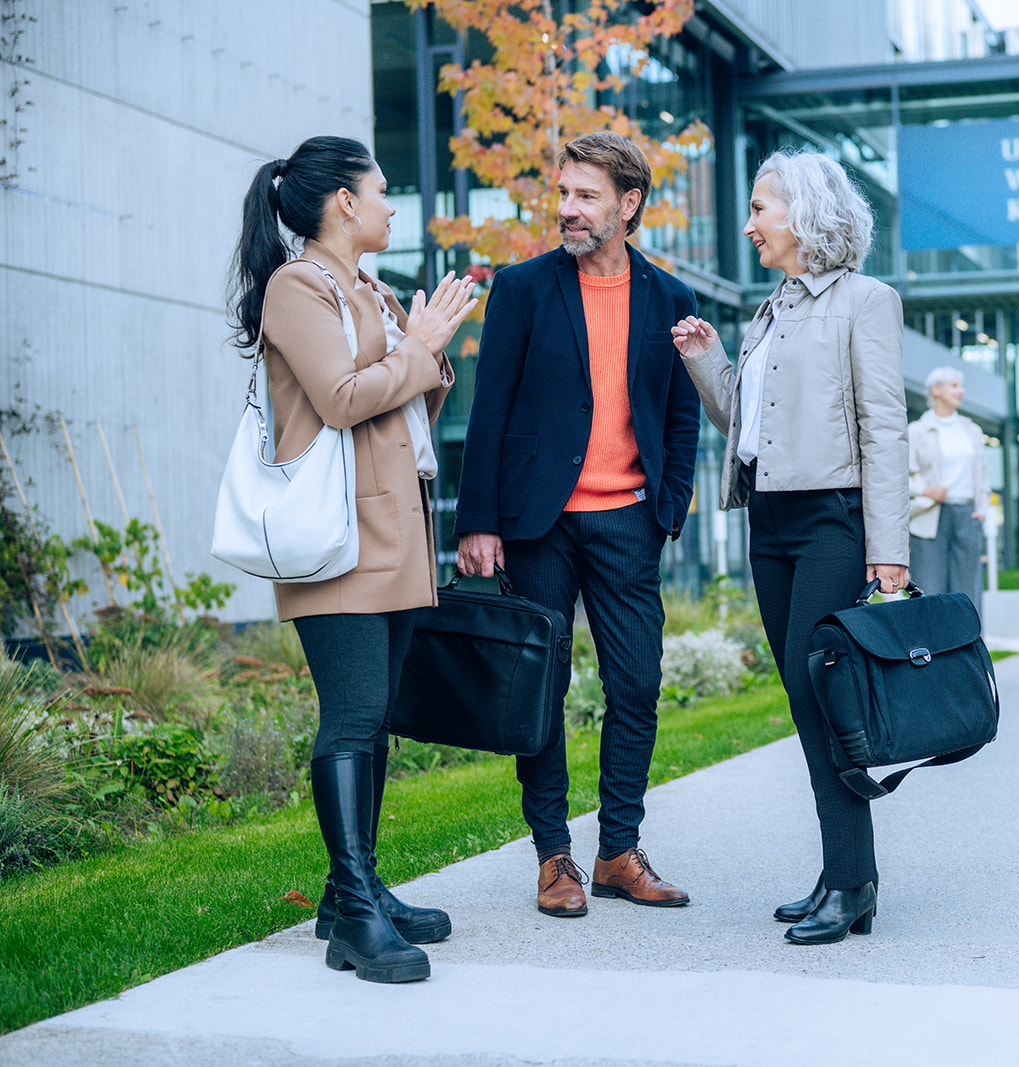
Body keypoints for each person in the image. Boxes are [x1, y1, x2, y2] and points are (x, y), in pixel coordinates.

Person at [228, 136, 478, 983]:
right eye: (379, 189)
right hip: (339, 541)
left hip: (394, 531)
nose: (390, 203)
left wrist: (432, 349)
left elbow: (405, 399)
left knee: (376, 722)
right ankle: (354, 917)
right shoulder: (298, 286)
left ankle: (356, 888)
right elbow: (340, 399)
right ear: (342, 201)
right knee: (353, 716)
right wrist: (417, 348)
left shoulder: (361, 285)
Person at [454, 132, 700, 919]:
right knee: (542, 686)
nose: (567, 208)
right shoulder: (523, 287)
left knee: (638, 683)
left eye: (586, 196)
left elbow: (684, 414)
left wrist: (669, 508)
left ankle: (619, 850)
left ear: (629, 205)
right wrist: (478, 520)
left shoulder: (670, 298)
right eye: (563, 193)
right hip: (537, 523)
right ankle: (554, 854)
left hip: (630, 518)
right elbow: (487, 408)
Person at [672, 149, 910, 945]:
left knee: (824, 698)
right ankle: (843, 872)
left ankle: (852, 878)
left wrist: (891, 549)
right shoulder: (769, 311)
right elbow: (746, 424)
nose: (749, 224)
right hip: (768, 522)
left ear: (804, 215)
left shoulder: (865, 301)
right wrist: (707, 359)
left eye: (760, 208)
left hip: (832, 520)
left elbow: (884, 427)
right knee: (804, 702)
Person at [908, 366, 989, 613]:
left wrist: (982, 509)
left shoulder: (971, 430)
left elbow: (982, 474)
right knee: (928, 592)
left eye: (961, 386)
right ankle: (930, 651)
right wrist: (927, 490)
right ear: (936, 390)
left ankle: (969, 651)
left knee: (968, 594)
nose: (961, 391)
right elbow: (902, 475)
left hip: (966, 514)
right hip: (930, 517)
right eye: (954, 386)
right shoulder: (916, 431)